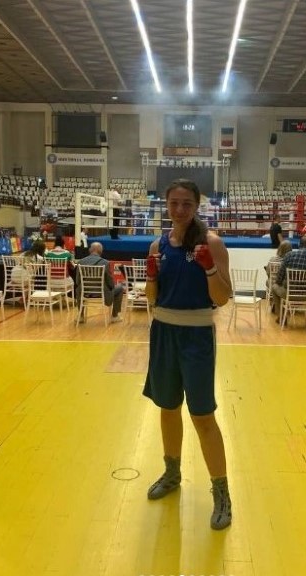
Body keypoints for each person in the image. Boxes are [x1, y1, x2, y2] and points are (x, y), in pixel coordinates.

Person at [143, 178, 233, 530]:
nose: (179, 209)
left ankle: (222, 493)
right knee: (168, 408)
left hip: (196, 335)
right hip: (163, 331)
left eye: (187, 204)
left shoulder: (212, 242)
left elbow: (222, 298)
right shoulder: (158, 245)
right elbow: (152, 299)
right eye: (174, 203)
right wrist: (151, 277)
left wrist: (209, 267)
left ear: (197, 206)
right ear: (166, 205)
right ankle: (172, 473)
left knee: (202, 415)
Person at [272, 236, 306, 325]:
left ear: (299, 245)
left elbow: (279, 278)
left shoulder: (288, 256)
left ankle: (281, 317)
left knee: (274, 287)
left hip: (288, 293)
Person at [77, 242, 125, 322]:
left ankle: (81, 316)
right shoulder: (105, 263)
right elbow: (110, 283)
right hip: (102, 292)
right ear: (101, 251)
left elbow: (77, 281)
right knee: (120, 288)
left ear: (90, 250)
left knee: (79, 288)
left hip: (85, 292)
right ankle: (114, 316)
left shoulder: (81, 262)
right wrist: (112, 287)